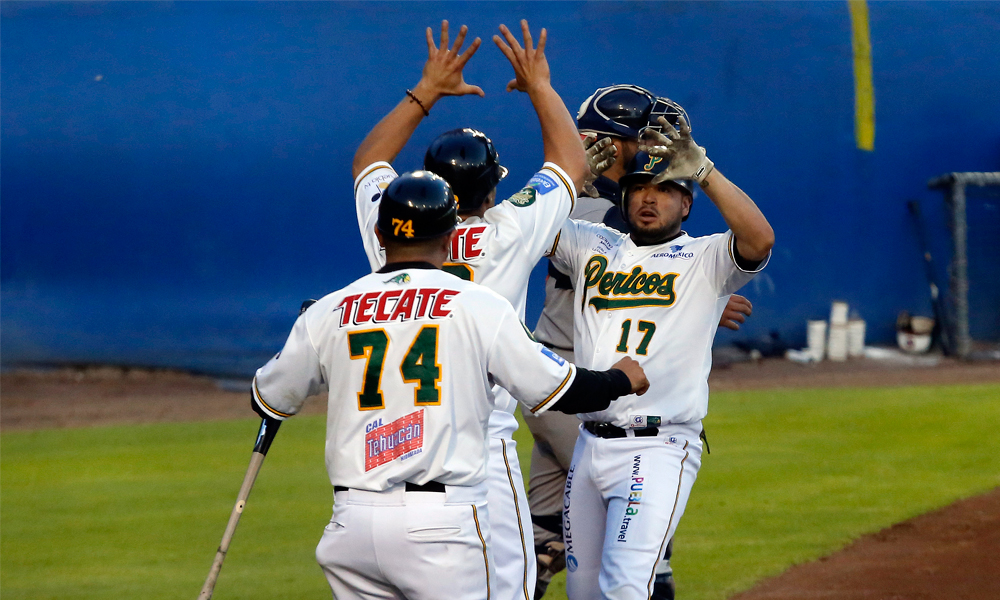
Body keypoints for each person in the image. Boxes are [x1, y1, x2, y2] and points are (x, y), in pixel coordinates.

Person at [250, 171, 649, 600]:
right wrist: (618, 378)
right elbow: (560, 389)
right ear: (450, 236)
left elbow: (268, 398)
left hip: (351, 528)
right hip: (439, 527)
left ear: (380, 234)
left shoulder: (330, 310)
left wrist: (314, 331)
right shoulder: (477, 306)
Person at [351, 20, 587, 600]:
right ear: (488, 192)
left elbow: (368, 162)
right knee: (504, 588)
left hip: (386, 448)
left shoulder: (390, 235)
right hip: (480, 448)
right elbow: (569, 165)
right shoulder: (506, 232)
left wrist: (425, 90)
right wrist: (539, 86)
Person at [527, 85, 753, 599]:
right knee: (643, 563)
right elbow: (521, 230)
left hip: (569, 389)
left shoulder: (613, 213)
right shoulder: (593, 219)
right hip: (574, 387)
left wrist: (699, 299)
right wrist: (561, 178)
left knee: (539, 540)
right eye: (646, 137)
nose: (658, 144)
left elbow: (735, 248)